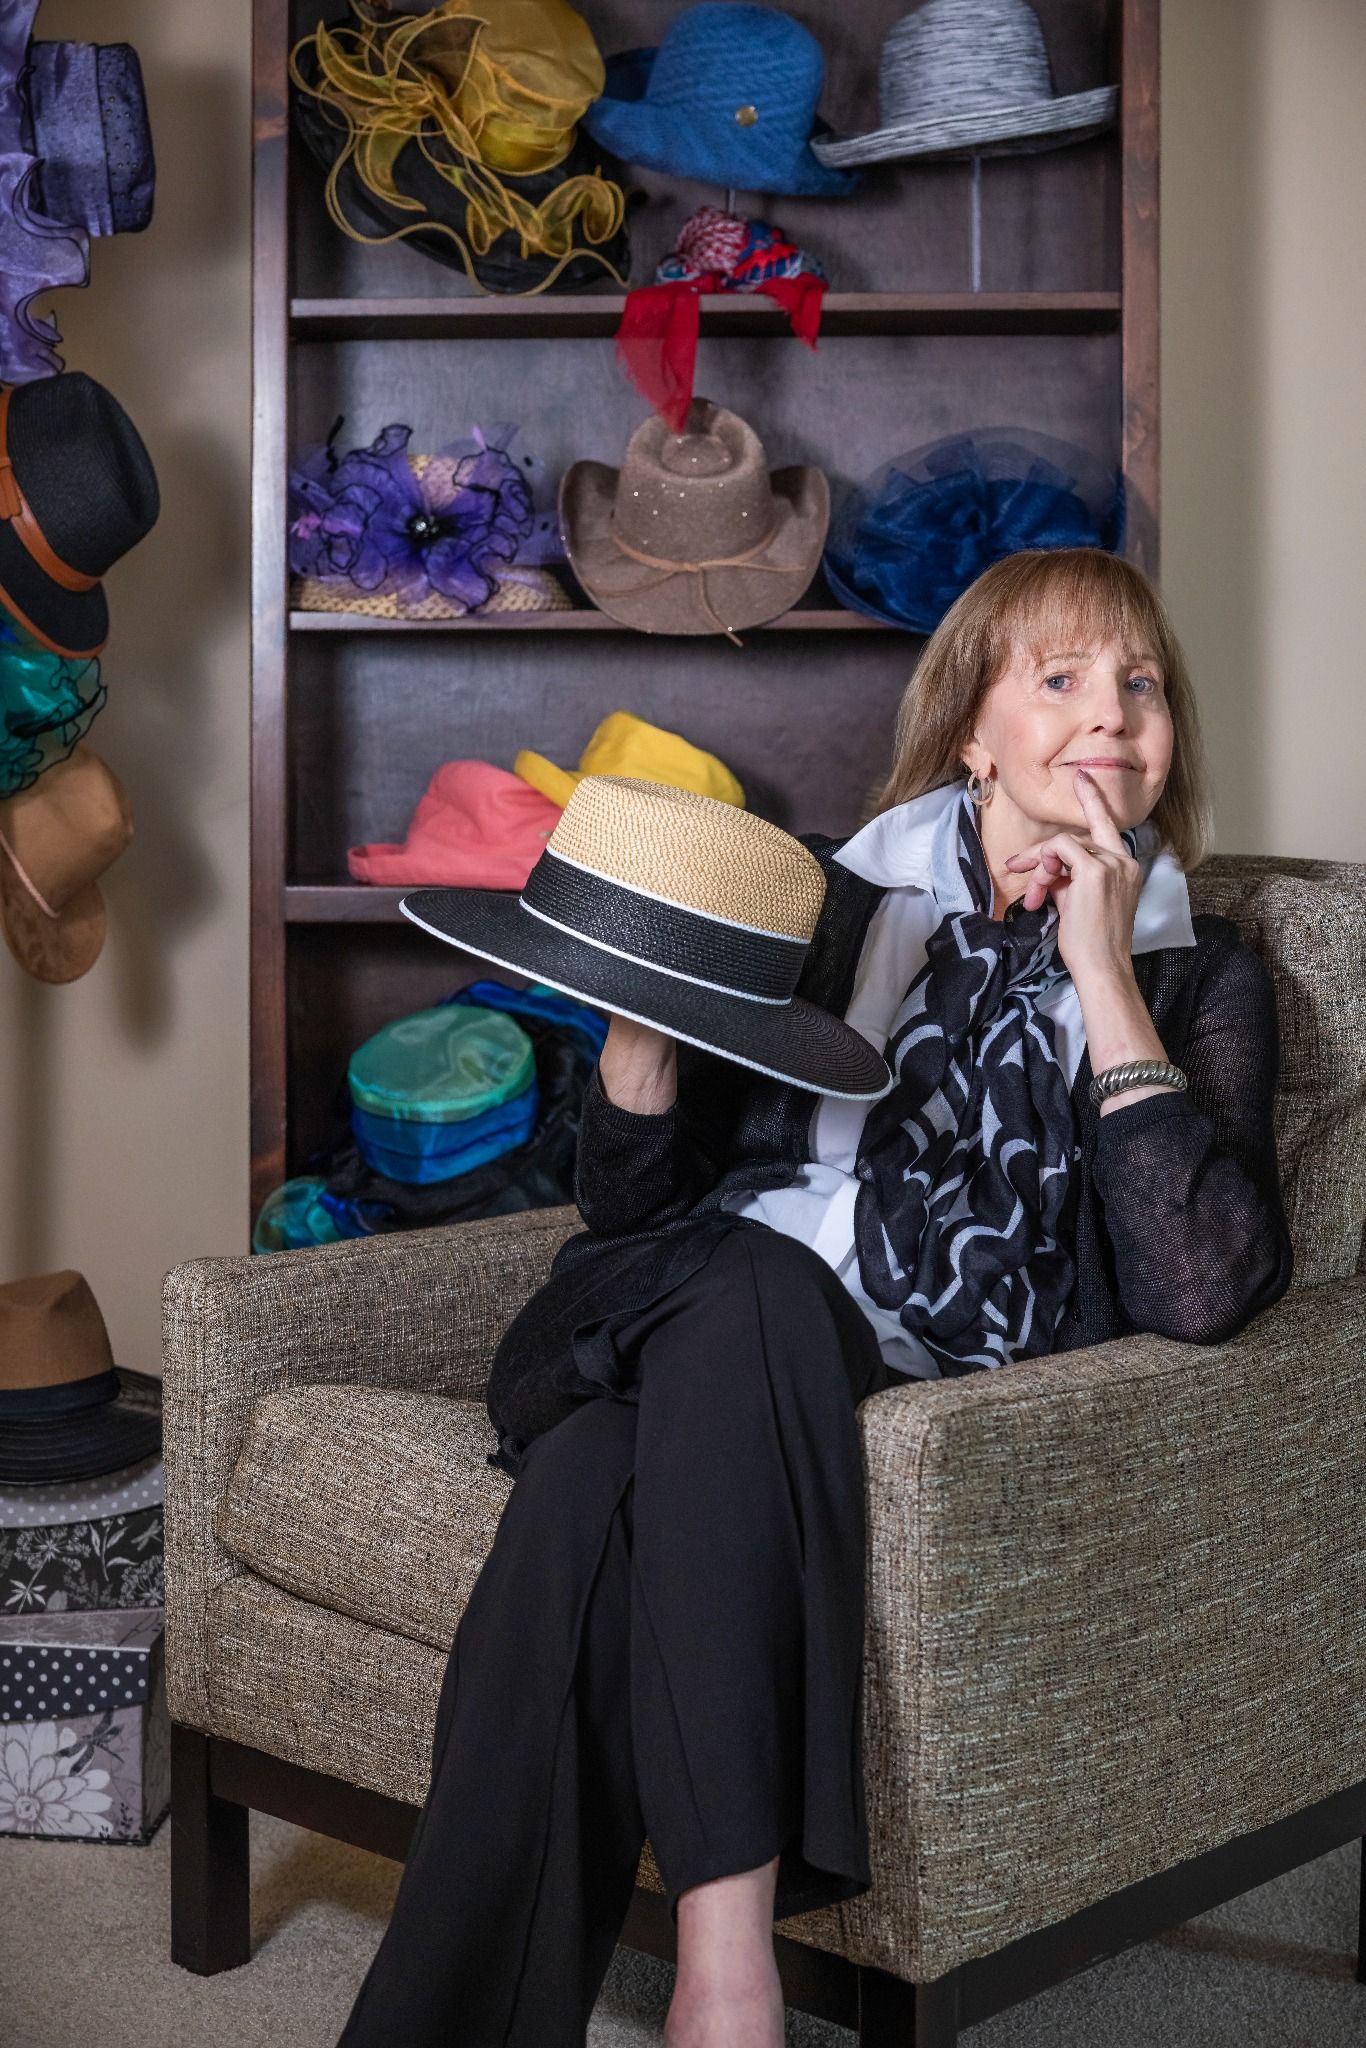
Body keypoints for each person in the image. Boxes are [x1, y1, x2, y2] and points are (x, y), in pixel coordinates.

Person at [335, 547, 1294, 2048]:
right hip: (670, 1307)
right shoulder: (826, 908)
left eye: (1141, 684)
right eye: (1060, 679)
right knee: (754, 1285)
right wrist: (639, 1047)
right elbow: (638, 1211)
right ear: (972, 732)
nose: (1111, 713)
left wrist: (1103, 973)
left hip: (853, 1395)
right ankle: (730, 1975)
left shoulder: (1197, 970)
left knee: (588, 1493)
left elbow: (1205, 1291)